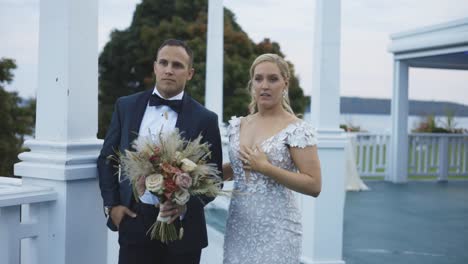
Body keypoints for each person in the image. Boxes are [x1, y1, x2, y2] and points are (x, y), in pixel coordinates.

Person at [97, 39, 223, 264]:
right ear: (155, 67)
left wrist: (184, 205)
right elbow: (107, 159)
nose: (169, 70)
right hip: (133, 220)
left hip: (183, 230)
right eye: (163, 63)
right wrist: (112, 205)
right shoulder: (125, 106)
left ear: (190, 73)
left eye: (177, 65)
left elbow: (215, 178)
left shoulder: (206, 119)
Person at [222, 53, 322, 264]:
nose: (264, 85)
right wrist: (192, 173)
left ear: (285, 83)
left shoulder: (296, 129)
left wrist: (266, 168)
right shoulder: (238, 125)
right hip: (239, 227)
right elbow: (237, 168)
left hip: (278, 230)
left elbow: (314, 185)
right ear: (252, 84)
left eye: (272, 79)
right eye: (259, 79)